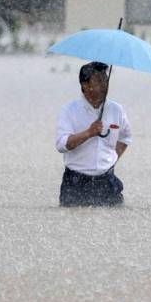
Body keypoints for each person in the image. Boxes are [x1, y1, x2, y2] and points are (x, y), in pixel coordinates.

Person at [55, 61, 132, 207]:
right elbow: (61, 144)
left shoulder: (116, 109)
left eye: (105, 78)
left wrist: (112, 160)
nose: (104, 83)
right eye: (98, 80)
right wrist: (88, 133)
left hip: (107, 181)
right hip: (76, 182)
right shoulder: (69, 110)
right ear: (85, 85)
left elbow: (125, 137)